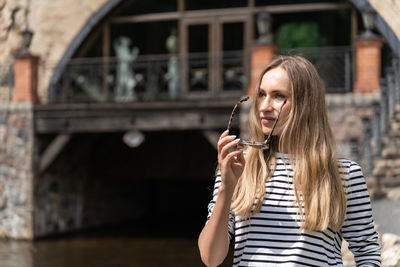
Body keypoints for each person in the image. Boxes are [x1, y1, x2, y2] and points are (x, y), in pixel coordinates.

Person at [198, 55, 381, 267]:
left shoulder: (344, 174)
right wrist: (227, 187)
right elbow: (210, 258)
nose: (264, 106)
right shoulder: (238, 166)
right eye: (261, 95)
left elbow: (367, 250)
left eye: (278, 96)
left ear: (305, 104)